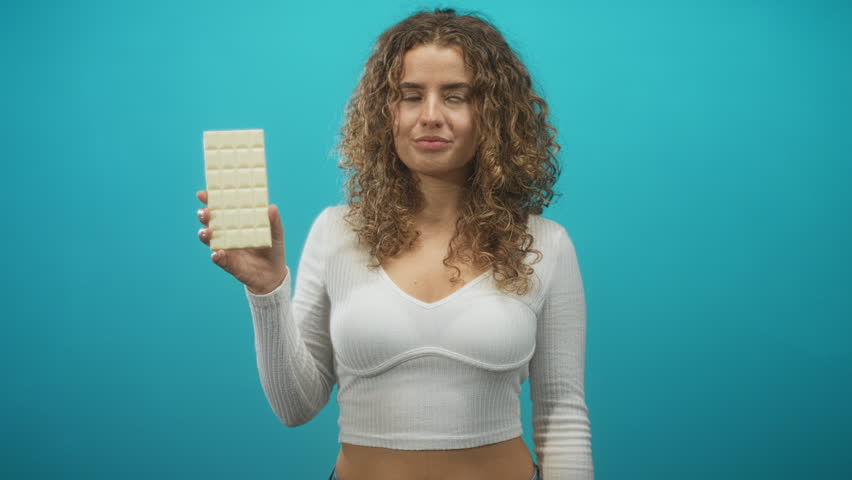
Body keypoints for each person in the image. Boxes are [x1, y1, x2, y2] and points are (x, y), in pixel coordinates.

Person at [196, 8, 592, 480]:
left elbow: (562, 416)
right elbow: (295, 406)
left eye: (456, 96)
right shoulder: (334, 231)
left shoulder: (545, 244)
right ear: (386, 113)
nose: (430, 116)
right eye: (410, 96)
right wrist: (266, 290)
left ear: (492, 113)